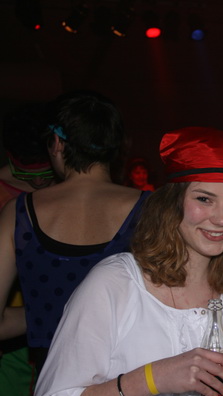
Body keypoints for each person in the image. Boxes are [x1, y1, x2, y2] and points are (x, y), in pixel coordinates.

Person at [25, 126, 223, 396]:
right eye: (204, 199)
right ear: (172, 202)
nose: (222, 218)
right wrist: (152, 378)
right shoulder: (115, 285)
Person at [0, 91, 151, 374]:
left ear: (57, 143)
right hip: (131, 376)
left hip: (56, 380)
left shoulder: (18, 213)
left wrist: (50, 311)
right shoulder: (151, 210)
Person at [0, 103, 55, 396]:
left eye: (45, 175)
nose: (37, 184)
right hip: (12, 325)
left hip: (57, 328)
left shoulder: (70, 192)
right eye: (27, 175)